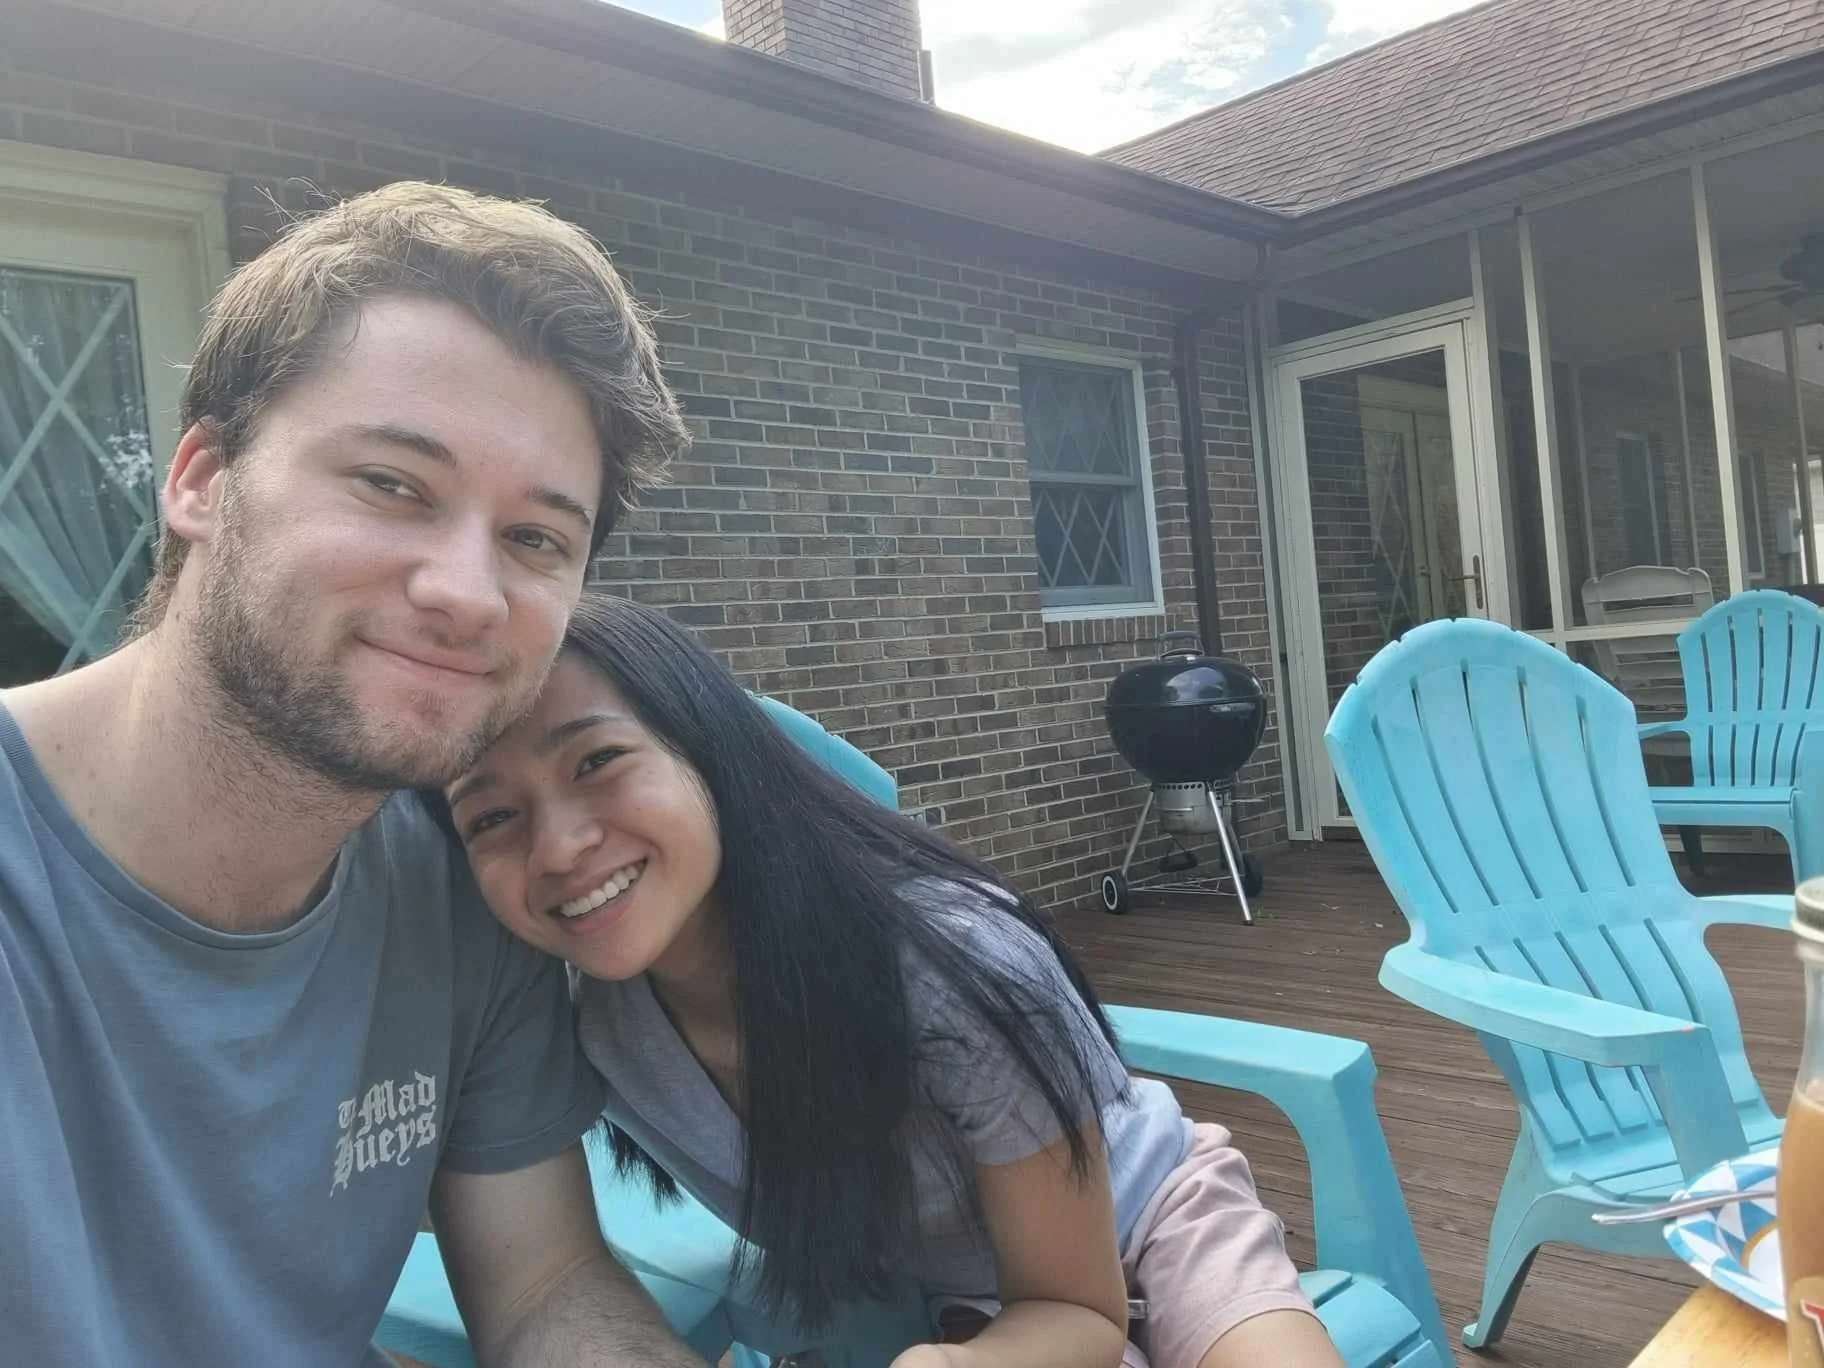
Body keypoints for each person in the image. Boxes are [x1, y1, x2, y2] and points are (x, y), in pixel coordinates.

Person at [0, 184, 704, 1366]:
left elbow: (545, 1282)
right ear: (203, 481)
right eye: (392, 484)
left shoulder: (465, 884)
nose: (468, 593)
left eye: (536, 539)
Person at [439, 593, 1345, 1368]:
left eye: (597, 762)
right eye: (490, 817)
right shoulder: (571, 1025)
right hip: (966, 1301)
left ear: (711, 753)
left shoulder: (948, 965)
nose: (557, 847)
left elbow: (1084, 1318)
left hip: (1155, 1214)